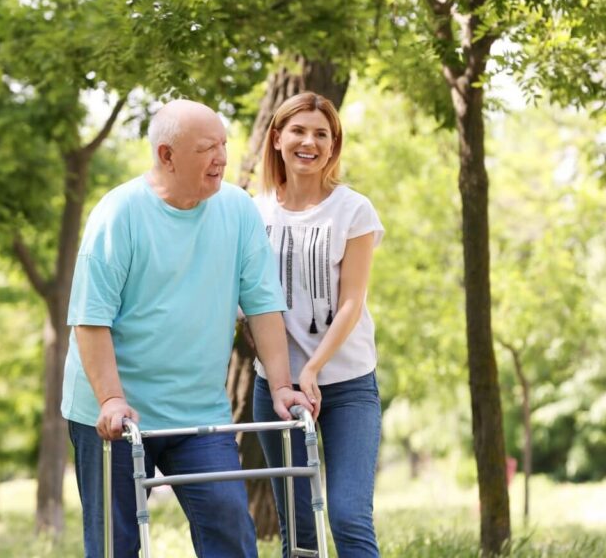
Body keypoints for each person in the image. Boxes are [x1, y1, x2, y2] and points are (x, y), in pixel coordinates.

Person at [62, 99, 313, 558]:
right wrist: (112, 399)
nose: (220, 157)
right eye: (206, 148)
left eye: (223, 144)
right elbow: (90, 320)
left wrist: (281, 385)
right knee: (115, 546)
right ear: (166, 156)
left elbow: (263, 306)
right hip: (115, 412)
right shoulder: (118, 215)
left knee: (231, 531)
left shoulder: (237, 211)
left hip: (198, 410)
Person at [252, 92, 384, 557]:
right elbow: (248, 302)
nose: (310, 142)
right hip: (277, 389)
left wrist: (312, 370)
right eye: (299, 131)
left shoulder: (353, 210)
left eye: (321, 134)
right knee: (300, 529)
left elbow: (351, 302)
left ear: (333, 145)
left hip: (347, 383)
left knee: (349, 516)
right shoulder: (255, 210)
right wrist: (287, 378)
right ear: (277, 138)